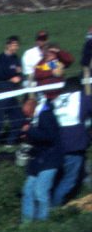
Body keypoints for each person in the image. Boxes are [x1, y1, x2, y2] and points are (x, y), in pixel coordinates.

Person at [44, 56, 89, 206]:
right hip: (75, 145)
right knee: (69, 179)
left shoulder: (58, 99)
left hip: (58, 145)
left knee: (59, 177)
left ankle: (48, 202)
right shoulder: (80, 98)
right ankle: (55, 207)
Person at [19, 88, 62, 223]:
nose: (27, 117)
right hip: (37, 160)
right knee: (27, 191)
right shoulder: (35, 117)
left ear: (31, 108)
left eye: (27, 114)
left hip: (50, 159)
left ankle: (42, 222)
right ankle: (26, 221)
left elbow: (49, 136)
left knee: (40, 192)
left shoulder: (45, 116)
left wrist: (30, 131)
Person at [0, 35, 24, 145]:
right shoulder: (0, 59)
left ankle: (10, 142)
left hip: (13, 93)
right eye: (14, 45)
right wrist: (11, 78)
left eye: (17, 45)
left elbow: (20, 73)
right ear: (8, 45)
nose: (16, 47)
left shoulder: (16, 58)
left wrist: (19, 77)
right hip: (2, 92)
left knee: (18, 118)